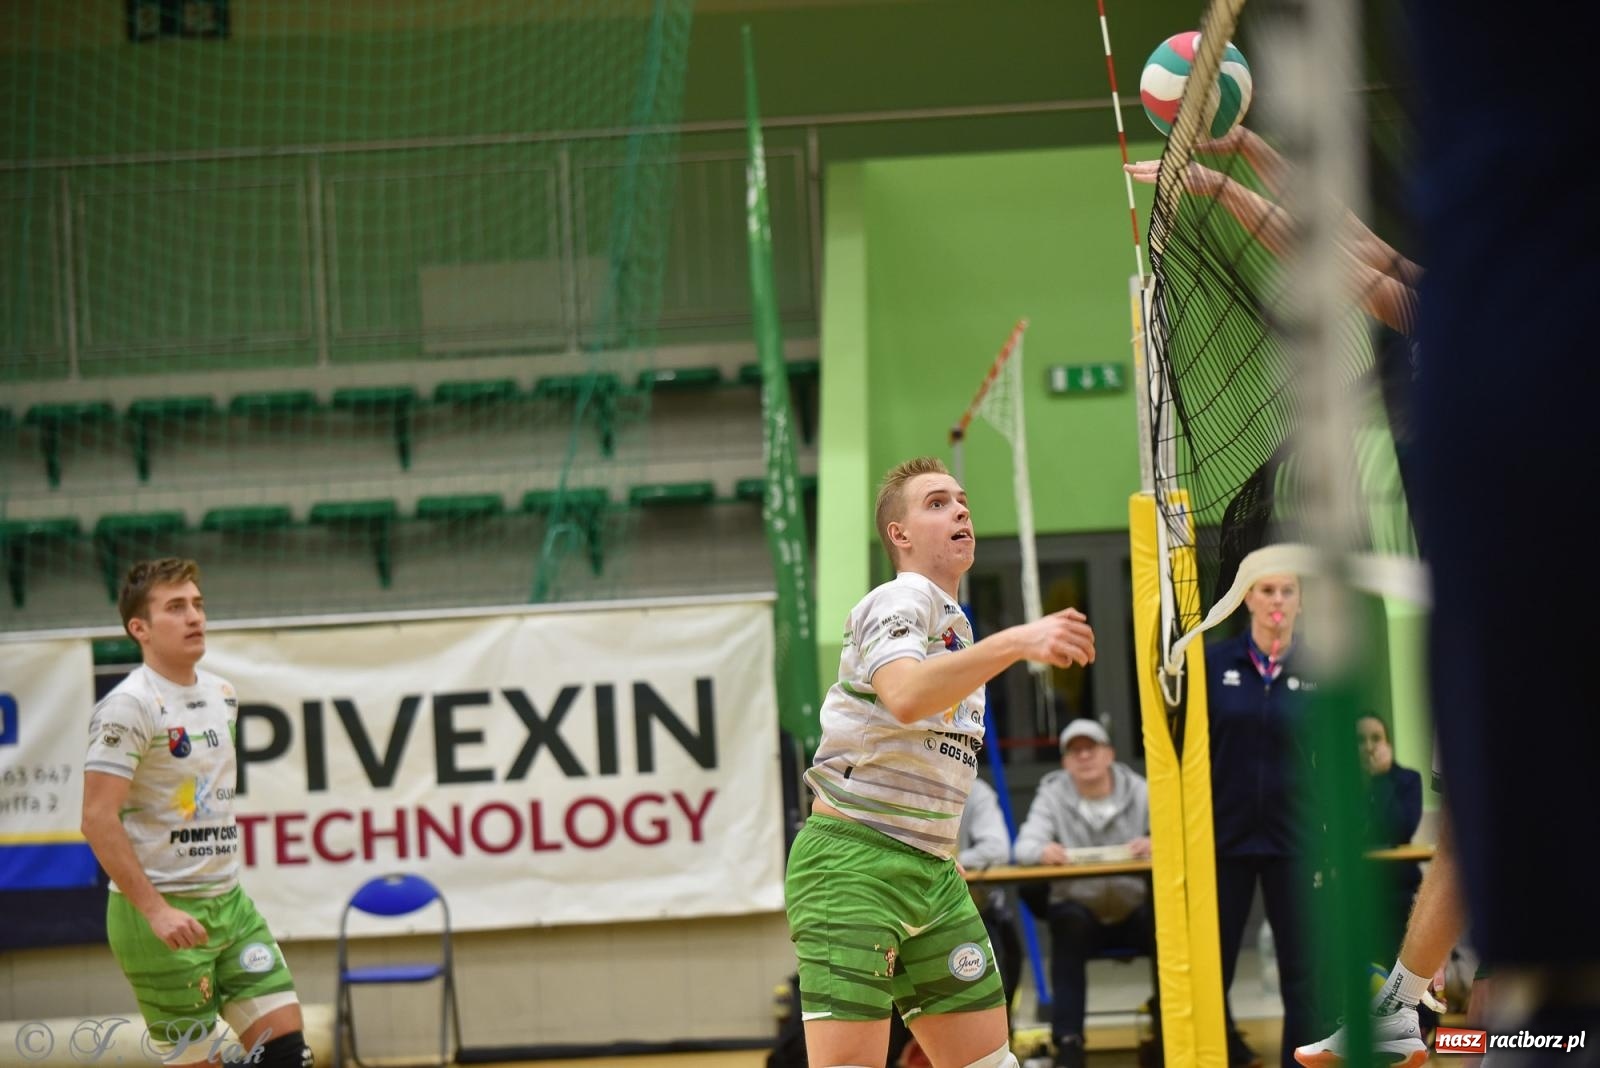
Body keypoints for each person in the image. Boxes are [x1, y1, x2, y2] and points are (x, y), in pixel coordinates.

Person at [785, 456, 1096, 1068]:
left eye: (962, 502)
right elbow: (903, 695)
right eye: (936, 503)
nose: (959, 511)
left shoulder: (954, 629)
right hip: (854, 865)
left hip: (932, 870)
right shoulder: (899, 598)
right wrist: (1018, 640)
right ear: (898, 534)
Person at [80, 559, 311, 1068]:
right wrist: (156, 911)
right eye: (176, 607)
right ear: (139, 628)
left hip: (230, 906)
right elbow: (96, 818)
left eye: (198, 605)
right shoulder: (129, 706)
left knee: (288, 1055)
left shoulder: (222, 694)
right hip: (160, 916)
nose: (195, 617)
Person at [1205, 573, 1317, 1068]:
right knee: (1214, 966)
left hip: (1295, 842)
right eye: (1267, 590)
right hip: (1223, 840)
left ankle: (1300, 1061)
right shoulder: (1214, 663)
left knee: (1302, 972)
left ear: (1300, 603)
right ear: (1247, 598)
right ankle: (1218, 1055)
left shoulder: (1318, 669)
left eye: (1287, 591)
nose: (1277, 600)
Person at [1013, 719, 1153, 1068]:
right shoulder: (1051, 794)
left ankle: (1168, 1026)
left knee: (1168, 926)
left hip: (1134, 907)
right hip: (1080, 911)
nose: (1084, 756)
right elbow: (1024, 847)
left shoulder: (1141, 790)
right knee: (1068, 924)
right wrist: (1042, 851)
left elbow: (1179, 834)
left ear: (1110, 754)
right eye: (1075, 751)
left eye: (1091, 748)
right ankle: (1068, 1043)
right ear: (1065, 762)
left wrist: (1156, 842)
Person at [1356, 714, 1424, 952]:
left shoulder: (1408, 780)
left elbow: (1401, 828)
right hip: (1359, 881)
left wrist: (1381, 779)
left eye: (1376, 739)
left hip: (1398, 883)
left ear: (1388, 744)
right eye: (1360, 740)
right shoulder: (1345, 785)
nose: (1369, 747)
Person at [959, 775, 1023, 1014]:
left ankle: (1003, 1025)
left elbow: (997, 850)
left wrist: (947, 861)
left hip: (969, 907)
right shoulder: (891, 784)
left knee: (1005, 941)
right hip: (900, 908)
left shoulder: (974, 789)